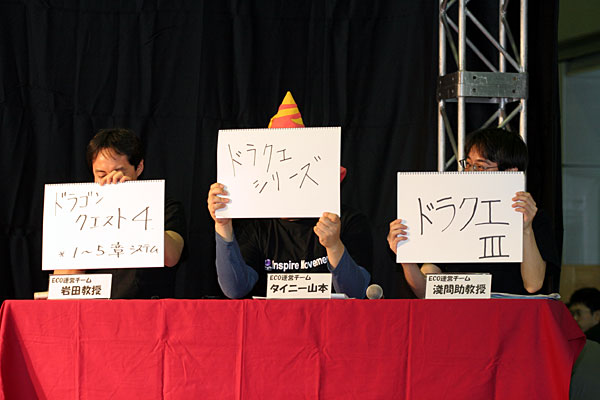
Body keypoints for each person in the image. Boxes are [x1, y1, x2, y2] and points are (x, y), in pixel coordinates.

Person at [207, 92, 372, 299]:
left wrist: (334, 246)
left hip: (330, 320)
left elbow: (356, 293)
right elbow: (235, 289)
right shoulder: (256, 227)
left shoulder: (347, 221)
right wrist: (223, 225)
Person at [387, 127, 559, 297]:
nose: (470, 172)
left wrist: (526, 229)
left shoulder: (535, 220)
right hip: (460, 313)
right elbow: (426, 291)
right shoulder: (452, 215)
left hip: (510, 314)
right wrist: (406, 259)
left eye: (480, 167)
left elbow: (533, 285)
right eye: (468, 164)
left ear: (510, 173)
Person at [55, 128, 187, 298]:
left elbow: (171, 257)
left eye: (119, 172)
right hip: (95, 307)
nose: (110, 180)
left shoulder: (165, 206)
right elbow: (63, 282)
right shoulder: (78, 209)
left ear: (139, 167)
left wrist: (132, 203)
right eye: (101, 174)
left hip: (146, 308)